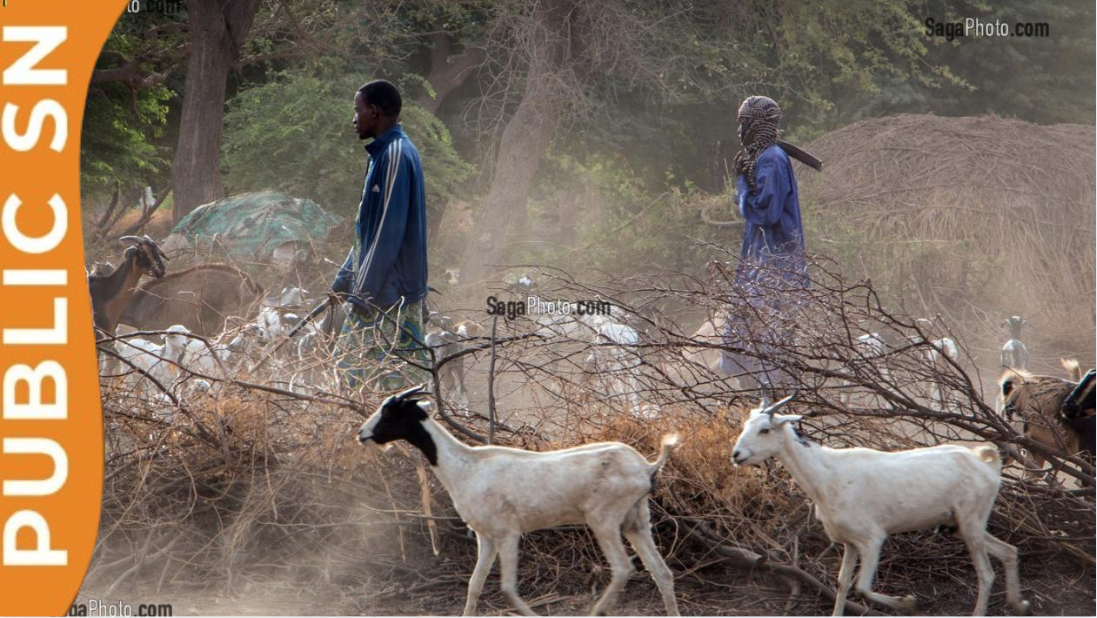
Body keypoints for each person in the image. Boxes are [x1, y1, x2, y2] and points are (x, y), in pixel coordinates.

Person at [331, 80, 430, 391]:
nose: (354, 118)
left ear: (373, 111)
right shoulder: (382, 154)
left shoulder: (396, 154)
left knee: (358, 376)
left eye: (357, 111)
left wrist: (363, 292)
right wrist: (343, 278)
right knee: (385, 381)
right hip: (378, 289)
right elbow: (366, 230)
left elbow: (389, 229)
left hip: (386, 294)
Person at [720, 95, 809, 389]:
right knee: (752, 345)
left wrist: (742, 185)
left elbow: (766, 212)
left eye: (743, 123)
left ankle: (768, 411)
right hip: (765, 265)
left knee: (767, 347)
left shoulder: (771, 159)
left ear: (755, 125)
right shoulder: (765, 157)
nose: (739, 130)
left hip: (774, 269)